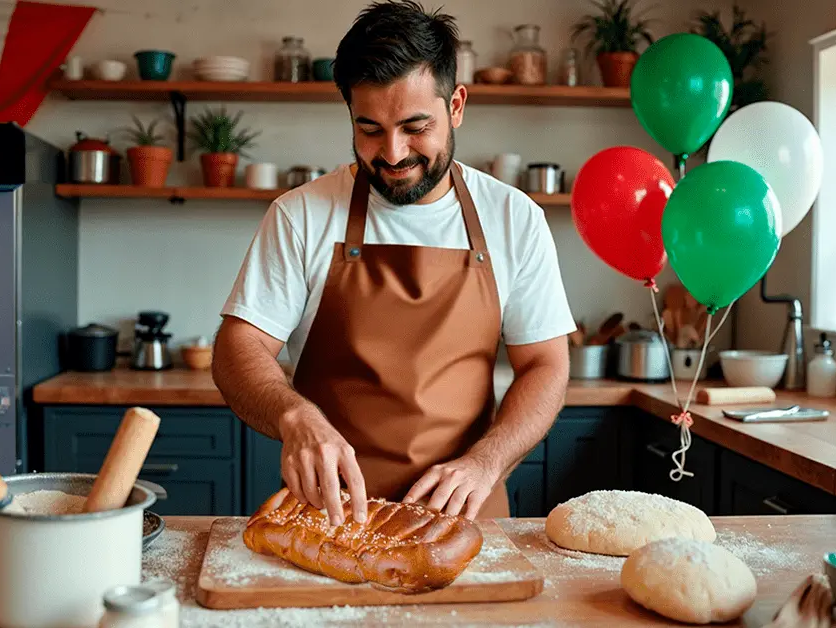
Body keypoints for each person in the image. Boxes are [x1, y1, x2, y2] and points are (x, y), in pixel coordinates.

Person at [212, 0, 574, 525]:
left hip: (466, 518)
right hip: (331, 519)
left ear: (456, 107)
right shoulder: (300, 215)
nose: (393, 151)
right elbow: (237, 347)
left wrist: (486, 462)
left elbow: (546, 364)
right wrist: (295, 416)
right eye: (370, 129)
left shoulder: (514, 219)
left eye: (414, 126)